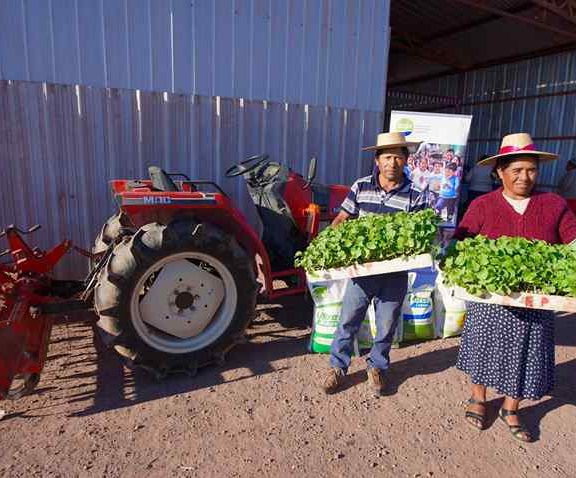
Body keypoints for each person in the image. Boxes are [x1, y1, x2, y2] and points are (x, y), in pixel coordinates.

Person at [454, 133, 576, 443]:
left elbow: (572, 240)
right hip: (490, 298)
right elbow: (461, 243)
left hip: (536, 299)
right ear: (500, 172)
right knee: (484, 346)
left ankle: (511, 407)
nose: (525, 177)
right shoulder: (483, 204)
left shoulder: (552, 204)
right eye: (516, 170)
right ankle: (479, 399)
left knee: (526, 353)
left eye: (531, 170)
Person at [323, 131, 430, 396]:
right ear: (377, 159)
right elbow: (342, 219)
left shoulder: (416, 194)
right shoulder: (361, 186)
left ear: (406, 160)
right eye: (387, 157)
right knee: (348, 319)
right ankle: (338, 367)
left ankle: (378, 366)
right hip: (362, 271)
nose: (391, 162)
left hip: (395, 273)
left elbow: (422, 233)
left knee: (387, 323)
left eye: (397, 157)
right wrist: (328, 240)